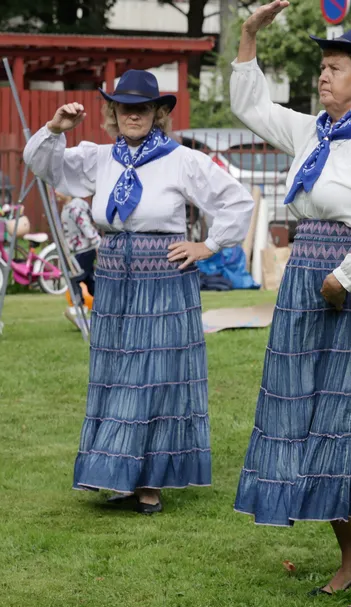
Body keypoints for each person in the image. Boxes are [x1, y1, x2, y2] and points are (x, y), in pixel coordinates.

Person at [229, 2, 351, 607]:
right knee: (311, 420)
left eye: (335, 67)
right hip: (309, 285)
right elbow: (251, 107)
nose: (323, 76)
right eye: (323, 67)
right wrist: (248, 36)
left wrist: (345, 276)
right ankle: (350, 561)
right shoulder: (315, 131)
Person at [23, 70, 254, 513]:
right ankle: (121, 476)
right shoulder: (99, 158)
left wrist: (208, 245)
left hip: (164, 278)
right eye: (125, 107)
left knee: (156, 377)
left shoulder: (180, 159)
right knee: (117, 377)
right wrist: (54, 128)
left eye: (142, 107)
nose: (133, 115)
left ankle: (150, 483)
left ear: (157, 113)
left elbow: (236, 200)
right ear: (113, 112)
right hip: (114, 277)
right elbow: (45, 166)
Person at [56, 189, 100, 319]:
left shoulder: (75, 208)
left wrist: (98, 244)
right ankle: (103, 302)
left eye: (59, 190)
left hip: (84, 250)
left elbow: (86, 226)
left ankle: (79, 306)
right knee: (88, 280)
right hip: (78, 250)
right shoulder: (68, 207)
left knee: (73, 278)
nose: (56, 192)